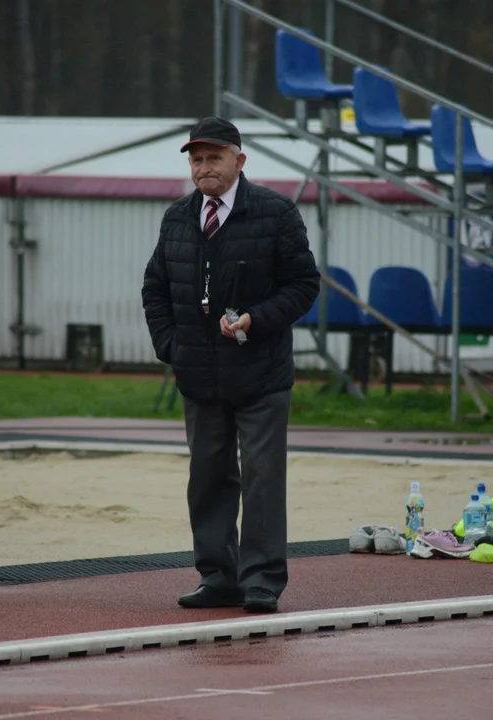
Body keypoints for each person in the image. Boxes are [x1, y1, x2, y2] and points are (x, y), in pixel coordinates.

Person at [141, 117, 320, 614]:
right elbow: (154, 287)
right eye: (196, 159)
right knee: (208, 478)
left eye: (214, 158)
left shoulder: (276, 213)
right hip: (199, 375)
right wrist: (171, 347)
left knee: (262, 479)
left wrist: (254, 320)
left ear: (239, 162)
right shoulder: (178, 217)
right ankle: (218, 576)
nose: (204, 168)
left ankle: (261, 581)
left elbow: (304, 285)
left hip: (260, 373)